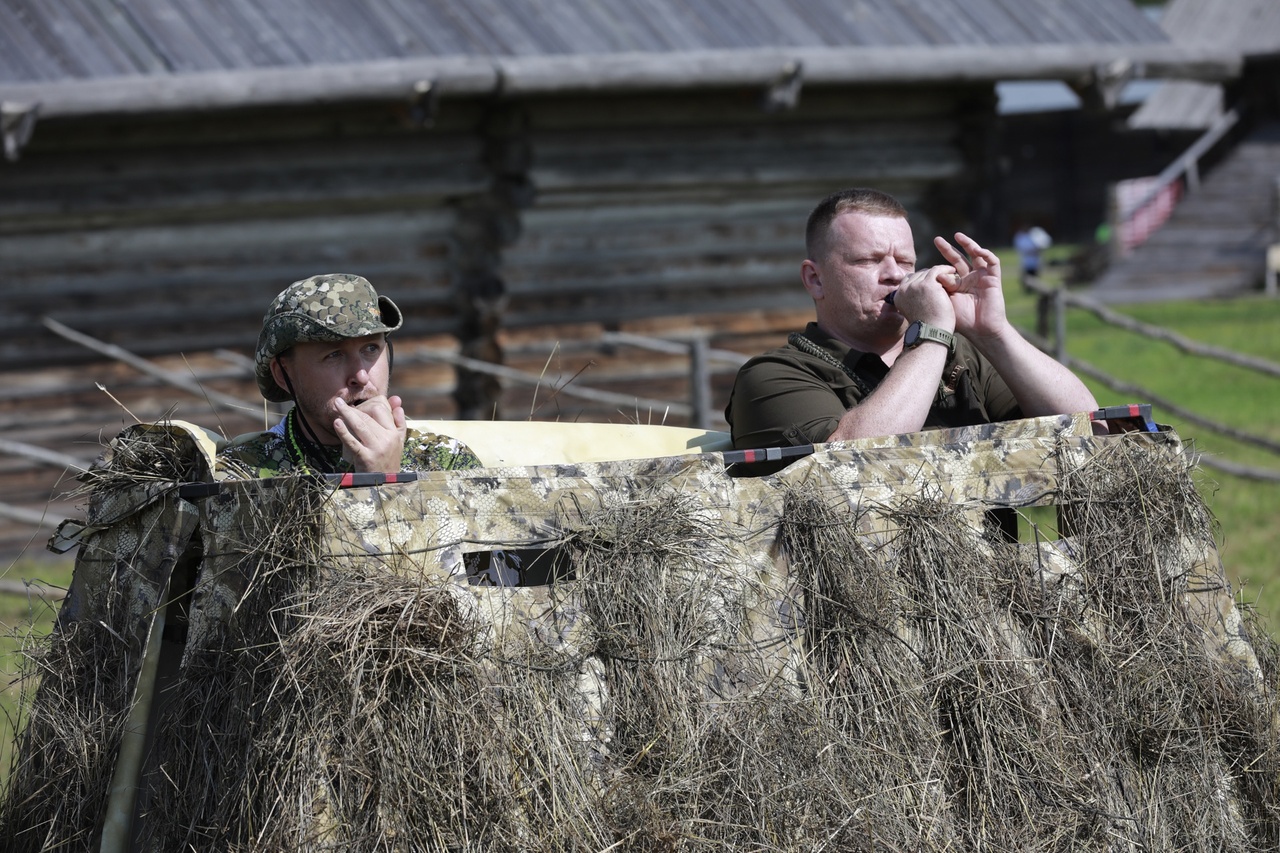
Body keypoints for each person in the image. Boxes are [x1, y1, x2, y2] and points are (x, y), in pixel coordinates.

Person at [725, 188, 1099, 450]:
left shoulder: (965, 357)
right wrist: (931, 333)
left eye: (905, 262)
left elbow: (1093, 427)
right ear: (815, 279)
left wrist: (994, 332)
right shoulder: (771, 376)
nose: (894, 275)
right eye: (867, 260)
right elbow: (849, 464)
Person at [218, 273, 481, 478]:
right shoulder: (244, 471)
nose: (361, 377)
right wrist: (369, 483)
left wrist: (389, 479)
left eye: (370, 349)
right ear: (283, 373)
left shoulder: (445, 460)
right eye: (334, 354)